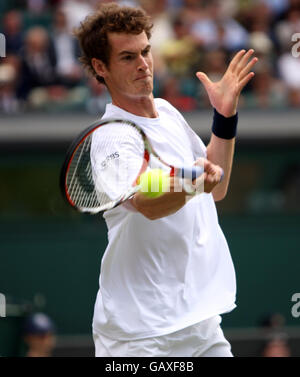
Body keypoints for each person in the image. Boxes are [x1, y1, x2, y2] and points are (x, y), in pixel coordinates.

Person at [74, 3, 257, 357]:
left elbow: (215, 187)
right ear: (100, 67)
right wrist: (191, 182)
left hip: (199, 324)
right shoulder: (110, 137)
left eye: (145, 51)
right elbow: (144, 199)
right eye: (127, 57)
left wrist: (224, 118)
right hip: (139, 337)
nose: (143, 64)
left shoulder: (169, 113)